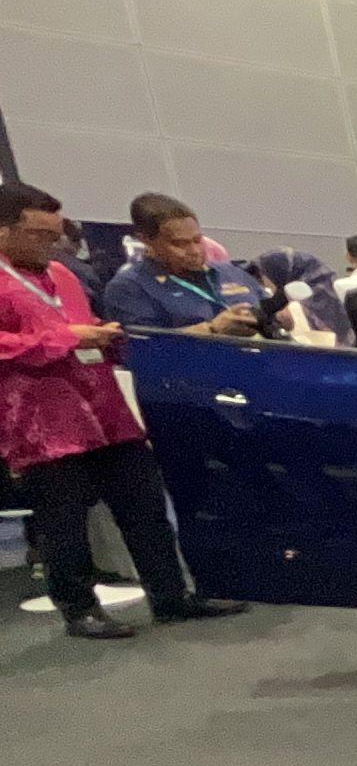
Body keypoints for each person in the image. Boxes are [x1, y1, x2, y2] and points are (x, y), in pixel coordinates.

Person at [0, 183, 247, 639]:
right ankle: (79, 610)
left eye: (57, 234)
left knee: (146, 509)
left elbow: (84, 326)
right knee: (64, 523)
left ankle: (171, 596)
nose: (53, 244)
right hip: (43, 422)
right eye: (40, 235)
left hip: (105, 410)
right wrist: (67, 338)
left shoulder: (63, 274)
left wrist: (104, 335)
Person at [99, 193, 263, 336]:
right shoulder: (129, 287)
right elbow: (148, 347)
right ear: (146, 240)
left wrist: (275, 317)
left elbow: (267, 312)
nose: (195, 251)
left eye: (197, 240)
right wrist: (212, 329)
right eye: (179, 244)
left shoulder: (229, 272)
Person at [251, 248, 352, 347]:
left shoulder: (293, 303)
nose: (262, 282)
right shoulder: (326, 294)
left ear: (276, 273)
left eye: (263, 275)